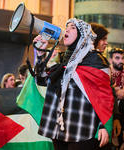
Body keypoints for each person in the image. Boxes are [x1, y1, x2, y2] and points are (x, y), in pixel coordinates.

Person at [34, 18, 114, 150]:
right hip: (58, 128)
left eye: (72, 27)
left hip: (83, 127)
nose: (67, 30)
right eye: (66, 26)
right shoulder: (60, 58)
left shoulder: (95, 59)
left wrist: (104, 125)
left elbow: (104, 97)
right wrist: (41, 53)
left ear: (83, 34)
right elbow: (41, 79)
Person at [90, 23, 121, 149]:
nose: (106, 43)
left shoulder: (101, 61)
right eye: (103, 39)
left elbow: (108, 92)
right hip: (89, 126)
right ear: (95, 39)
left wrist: (116, 117)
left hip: (103, 123)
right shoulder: (91, 61)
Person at [109, 48, 124, 149]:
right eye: (117, 58)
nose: (121, 61)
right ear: (110, 60)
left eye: (122, 58)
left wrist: (113, 90)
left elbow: (121, 95)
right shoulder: (106, 73)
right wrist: (116, 90)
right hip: (108, 113)